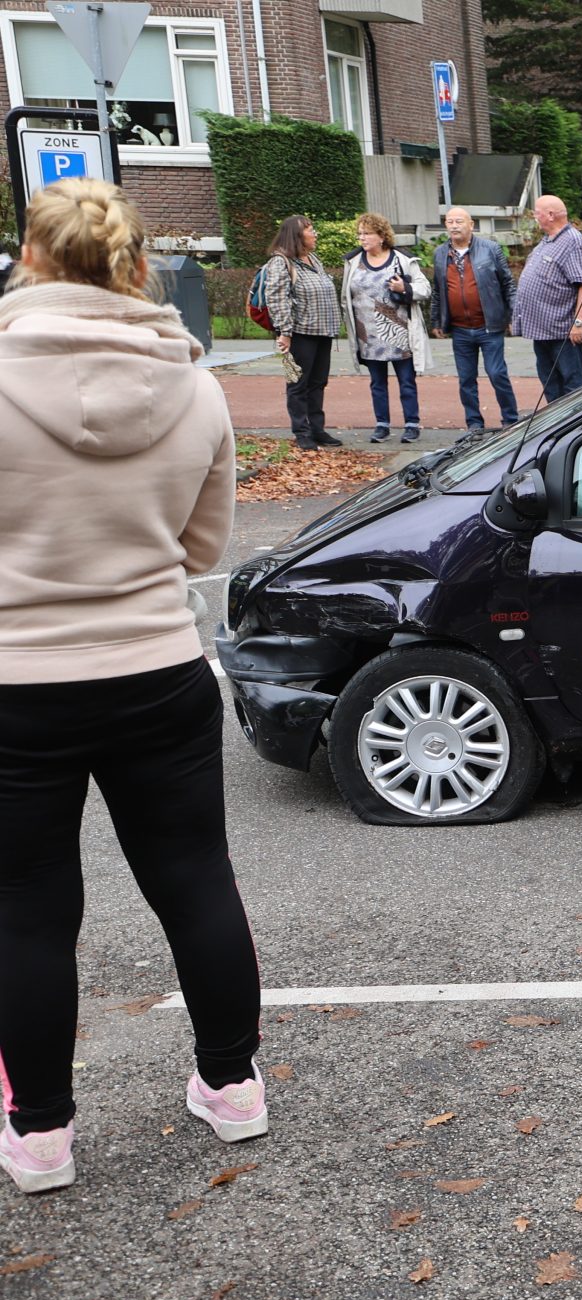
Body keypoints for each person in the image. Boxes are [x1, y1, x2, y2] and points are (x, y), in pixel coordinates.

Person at [0, 179, 265, 1195]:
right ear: (136, 263)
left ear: (31, 258)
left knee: (26, 909)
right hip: (154, 670)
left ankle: (42, 1138)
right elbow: (203, 545)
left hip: (16, 684)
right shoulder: (192, 386)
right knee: (195, 877)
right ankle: (233, 1087)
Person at [340, 212, 432, 444]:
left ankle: (412, 424)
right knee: (377, 383)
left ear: (381, 236)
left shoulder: (401, 259)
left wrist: (405, 288)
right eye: (360, 234)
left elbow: (425, 288)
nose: (362, 238)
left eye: (367, 233)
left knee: (406, 381)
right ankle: (382, 425)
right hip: (368, 335)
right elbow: (346, 297)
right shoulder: (353, 262)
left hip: (399, 332)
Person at [429, 206, 521, 435]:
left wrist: (514, 315)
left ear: (471, 225)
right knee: (466, 379)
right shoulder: (440, 253)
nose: (454, 226)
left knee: (496, 372)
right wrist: (436, 321)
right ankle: (474, 424)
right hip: (459, 329)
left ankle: (510, 419)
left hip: (489, 326)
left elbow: (508, 284)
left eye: (459, 221)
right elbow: (438, 290)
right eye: (449, 222)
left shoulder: (490, 249)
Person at [261, 215, 341, 449]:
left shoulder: (313, 259)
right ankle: (302, 432)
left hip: (322, 332)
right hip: (300, 333)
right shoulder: (281, 262)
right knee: (298, 383)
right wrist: (284, 331)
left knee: (318, 382)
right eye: (310, 230)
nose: (314, 233)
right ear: (297, 235)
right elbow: (277, 298)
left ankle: (317, 429)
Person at [513, 194, 582, 402]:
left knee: (572, 384)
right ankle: (557, 425)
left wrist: (579, 323)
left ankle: (579, 425)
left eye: (537, 212)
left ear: (551, 215)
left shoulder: (574, 242)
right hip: (541, 329)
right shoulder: (548, 240)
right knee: (549, 382)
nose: (535, 216)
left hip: (563, 330)